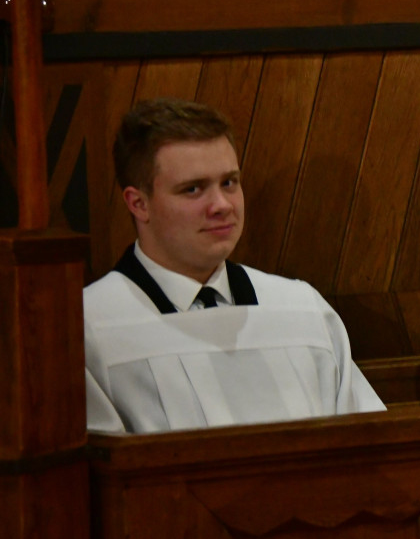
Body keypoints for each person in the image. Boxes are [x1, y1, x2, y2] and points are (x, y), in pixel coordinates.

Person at [85, 98, 385, 432]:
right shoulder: (90, 326)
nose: (222, 205)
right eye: (193, 189)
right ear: (139, 203)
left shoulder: (303, 309)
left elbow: (368, 444)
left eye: (229, 182)